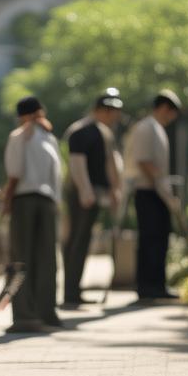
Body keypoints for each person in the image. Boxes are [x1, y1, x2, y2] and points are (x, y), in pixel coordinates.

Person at [1, 96, 64, 333]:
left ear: (22, 116)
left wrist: (6, 202)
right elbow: (57, 175)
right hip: (47, 202)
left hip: (24, 201)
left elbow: (14, 174)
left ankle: (24, 315)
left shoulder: (19, 136)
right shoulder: (50, 138)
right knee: (46, 258)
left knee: (20, 258)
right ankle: (46, 312)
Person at [61, 89, 124, 309]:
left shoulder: (103, 132)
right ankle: (70, 292)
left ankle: (74, 290)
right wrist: (85, 190)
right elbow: (77, 163)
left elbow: (109, 163)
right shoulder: (81, 131)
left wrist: (115, 190)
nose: (114, 115)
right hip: (82, 193)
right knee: (77, 241)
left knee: (83, 240)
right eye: (111, 111)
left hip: (96, 193)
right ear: (100, 110)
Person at [123, 89, 182, 300]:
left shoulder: (156, 128)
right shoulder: (146, 127)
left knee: (160, 239)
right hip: (148, 191)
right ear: (165, 108)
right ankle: (147, 287)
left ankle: (157, 285)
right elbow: (144, 161)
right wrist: (161, 186)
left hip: (157, 191)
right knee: (150, 240)